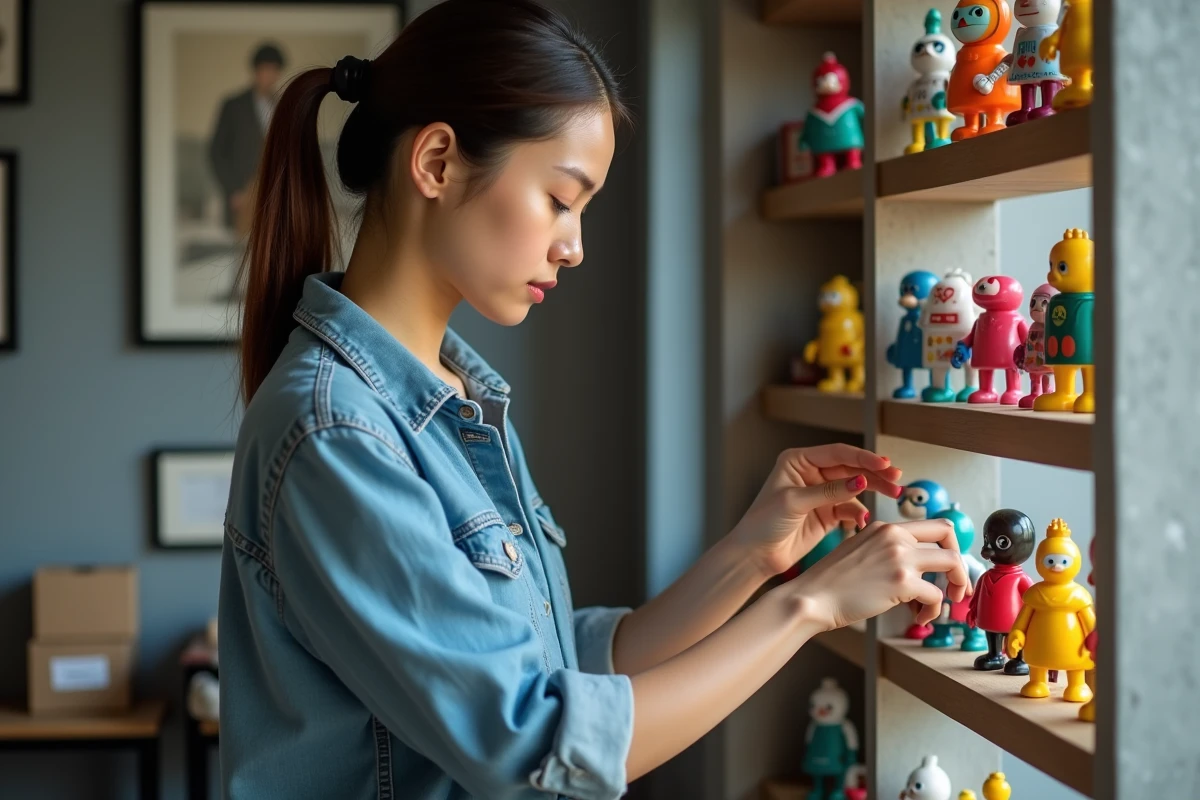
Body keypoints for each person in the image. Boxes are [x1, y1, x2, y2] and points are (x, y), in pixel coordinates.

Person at [219, 2, 970, 798]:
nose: (575, 247)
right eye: (560, 199)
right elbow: (530, 743)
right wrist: (811, 605)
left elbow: (553, 666)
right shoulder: (339, 433)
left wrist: (755, 556)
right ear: (437, 162)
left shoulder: (457, 400)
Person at [208, 42, 285, 236]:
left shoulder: (282, 105)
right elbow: (217, 152)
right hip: (245, 189)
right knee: (245, 244)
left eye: (274, 70)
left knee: (276, 240)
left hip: (276, 188)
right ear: (256, 70)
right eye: (265, 69)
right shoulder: (234, 106)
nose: (269, 76)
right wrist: (233, 189)